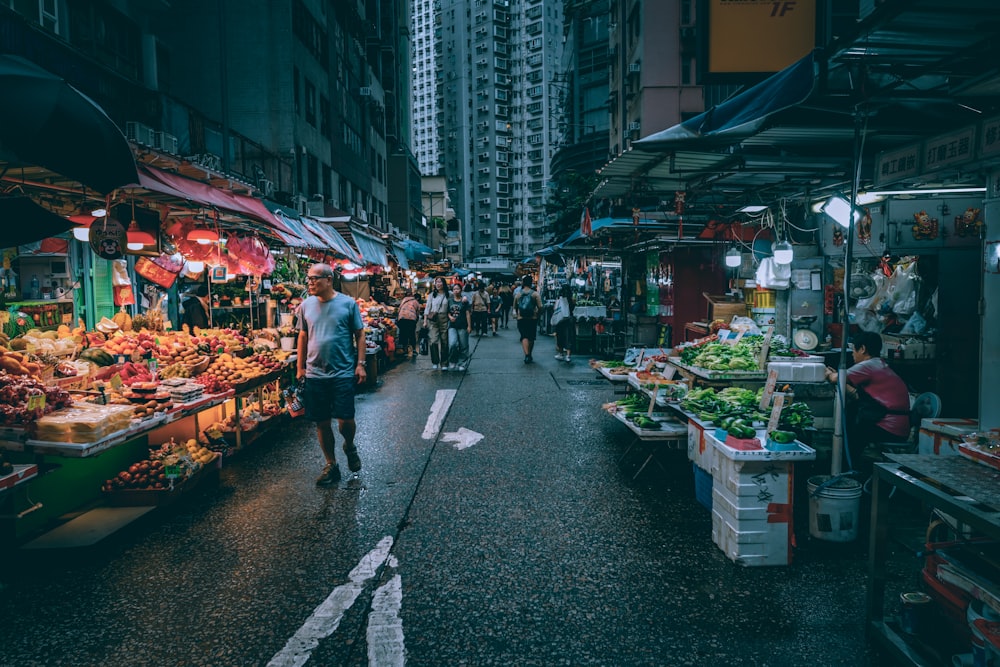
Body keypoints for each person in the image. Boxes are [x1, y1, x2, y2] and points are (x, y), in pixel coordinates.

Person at [296, 263, 366, 485]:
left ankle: (349, 445)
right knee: (322, 422)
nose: (310, 283)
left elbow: (360, 334)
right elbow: (302, 337)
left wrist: (361, 363)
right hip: (315, 374)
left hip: (343, 372)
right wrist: (300, 367)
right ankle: (331, 464)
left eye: (315, 278)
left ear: (329, 279)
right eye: (308, 279)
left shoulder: (347, 304)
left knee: (346, 420)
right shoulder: (305, 306)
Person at [825, 330, 911, 469]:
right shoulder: (879, 364)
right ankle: (848, 467)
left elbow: (836, 379)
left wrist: (828, 373)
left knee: (851, 435)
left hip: (888, 427)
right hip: (897, 426)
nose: (852, 354)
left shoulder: (868, 366)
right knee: (853, 420)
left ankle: (847, 470)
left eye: (854, 350)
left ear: (863, 349)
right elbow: (858, 395)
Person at [513, 274, 543, 364]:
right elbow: (540, 306)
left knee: (524, 336)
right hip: (532, 318)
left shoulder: (518, 294)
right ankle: (529, 353)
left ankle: (527, 355)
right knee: (531, 337)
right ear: (531, 283)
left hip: (521, 318)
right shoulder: (535, 294)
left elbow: (514, 307)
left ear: (523, 283)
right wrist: (538, 314)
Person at [423, 276, 450, 370]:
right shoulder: (431, 295)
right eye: (436, 282)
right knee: (433, 340)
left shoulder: (448, 294)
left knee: (445, 341)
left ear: (444, 283)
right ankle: (435, 361)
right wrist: (425, 320)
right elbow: (427, 308)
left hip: (445, 318)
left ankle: (444, 363)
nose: (438, 284)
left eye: (440, 282)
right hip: (433, 319)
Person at [446, 282, 472, 371]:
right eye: (454, 289)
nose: (456, 291)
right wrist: (450, 317)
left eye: (457, 289)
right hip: (452, 326)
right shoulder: (450, 300)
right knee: (452, 344)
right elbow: (447, 312)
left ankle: (462, 363)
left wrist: (469, 326)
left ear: (461, 290)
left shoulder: (464, 301)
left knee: (463, 345)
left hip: (463, 325)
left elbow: (468, 313)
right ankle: (453, 360)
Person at [395, 289, 421, 360]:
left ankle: (404, 349)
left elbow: (399, 309)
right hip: (411, 319)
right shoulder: (416, 302)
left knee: (403, 333)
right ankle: (414, 350)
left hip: (402, 318)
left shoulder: (404, 300)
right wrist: (416, 319)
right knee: (411, 334)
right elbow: (418, 312)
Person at [552, 284, 575, 362]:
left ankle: (561, 354)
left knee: (560, 337)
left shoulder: (559, 299)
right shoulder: (571, 299)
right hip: (569, 320)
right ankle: (568, 356)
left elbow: (555, 308)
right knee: (569, 337)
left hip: (560, 320)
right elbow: (573, 308)